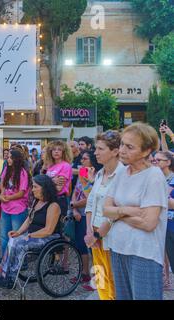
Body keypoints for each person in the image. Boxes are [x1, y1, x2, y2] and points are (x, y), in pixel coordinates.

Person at [103, 122, 168, 300]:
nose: (122, 150)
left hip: (143, 252)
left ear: (146, 151)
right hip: (118, 247)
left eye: (129, 147)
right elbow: (105, 209)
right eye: (122, 144)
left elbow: (148, 223)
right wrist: (128, 210)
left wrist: (118, 215)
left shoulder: (154, 176)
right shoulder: (122, 172)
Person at [0, 174, 61, 289]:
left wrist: (30, 235)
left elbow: (48, 230)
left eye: (35, 187)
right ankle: (3, 271)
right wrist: (18, 232)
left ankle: (10, 278)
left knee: (19, 244)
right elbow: (29, 220)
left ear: (44, 188)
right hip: (35, 235)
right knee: (13, 240)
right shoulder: (37, 202)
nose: (32, 189)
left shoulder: (53, 205)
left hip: (49, 238)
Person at [84, 130, 123, 300]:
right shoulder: (100, 174)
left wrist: (98, 234)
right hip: (94, 233)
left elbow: (117, 211)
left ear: (115, 151)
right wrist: (89, 231)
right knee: (99, 278)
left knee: (113, 280)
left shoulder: (123, 175)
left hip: (111, 235)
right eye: (96, 148)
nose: (95, 152)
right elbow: (90, 203)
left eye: (100, 149)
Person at [71, 150, 101, 291]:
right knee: (81, 246)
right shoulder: (82, 173)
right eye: (81, 159)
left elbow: (90, 197)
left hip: (91, 216)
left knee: (94, 249)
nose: (81, 161)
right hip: (79, 213)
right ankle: (85, 274)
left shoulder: (96, 176)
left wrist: (75, 206)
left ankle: (98, 281)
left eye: (85, 159)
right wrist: (74, 208)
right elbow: (75, 192)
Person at [0, 149, 31, 256]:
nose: (8, 159)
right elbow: (2, 183)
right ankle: (5, 259)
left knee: (18, 236)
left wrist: (8, 198)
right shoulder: (7, 169)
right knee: (4, 236)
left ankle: (20, 263)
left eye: (10, 157)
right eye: (7, 157)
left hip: (18, 209)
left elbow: (22, 192)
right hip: (5, 207)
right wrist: (2, 195)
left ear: (16, 159)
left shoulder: (22, 173)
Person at [152, 151, 174, 290]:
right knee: (165, 253)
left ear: (168, 162)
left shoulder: (172, 178)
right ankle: (166, 279)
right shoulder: (157, 177)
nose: (155, 162)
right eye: (154, 159)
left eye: (159, 160)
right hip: (163, 222)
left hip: (171, 223)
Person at [44, 141, 73, 219]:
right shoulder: (50, 166)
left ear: (64, 152)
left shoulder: (65, 166)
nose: (56, 151)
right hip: (49, 199)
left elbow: (58, 188)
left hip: (59, 199)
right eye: (54, 149)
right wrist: (52, 181)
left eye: (59, 149)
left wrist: (46, 183)